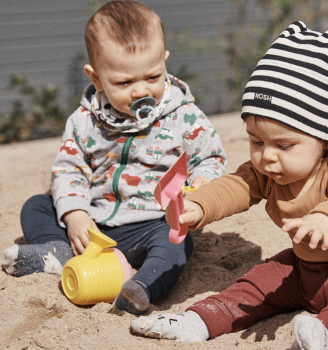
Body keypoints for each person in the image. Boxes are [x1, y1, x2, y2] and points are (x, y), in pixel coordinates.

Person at [129, 21, 328, 350]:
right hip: (308, 268)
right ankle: (198, 321)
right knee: (259, 280)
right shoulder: (268, 170)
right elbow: (236, 185)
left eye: (284, 145)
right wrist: (200, 204)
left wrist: (327, 218)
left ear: (325, 136)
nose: (267, 157)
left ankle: (325, 335)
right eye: (256, 141)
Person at [1, 1, 227, 315]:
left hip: (151, 222)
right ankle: (60, 251)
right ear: (97, 79)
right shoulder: (85, 121)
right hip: (93, 224)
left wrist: (203, 181)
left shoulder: (184, 116)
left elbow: (210, 156)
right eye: (124, 82)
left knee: (177, 242)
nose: (140, 91)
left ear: (164, 62)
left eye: (152, 76)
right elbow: (69, 169)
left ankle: (141, 286)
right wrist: (76, 214)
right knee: (37, 205)